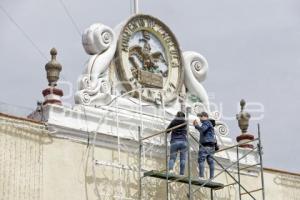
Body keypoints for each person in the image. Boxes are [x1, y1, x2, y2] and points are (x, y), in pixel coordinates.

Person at [193, 111, 217, 180]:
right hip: (211, 146)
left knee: (201, 160)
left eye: (201, 116)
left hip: (205, 146)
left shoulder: (206, 122)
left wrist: (196, 126)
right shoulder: (209, 124)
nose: (200, 118)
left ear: (205, 116)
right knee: (210, 161)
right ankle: (212, 177)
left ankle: (201, 176)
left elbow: (203, 129)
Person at [167, 111, 187, 175]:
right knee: (183, 158)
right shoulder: (186, 122)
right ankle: (181, 173)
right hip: (183, 141)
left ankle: (170, 170)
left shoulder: (174, 121)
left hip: (174, 141)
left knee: (172, 158)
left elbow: (167, 131)